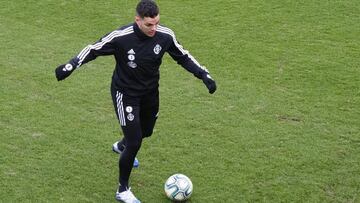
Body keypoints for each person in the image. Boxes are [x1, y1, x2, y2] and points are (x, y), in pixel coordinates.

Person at [55, 0, 216, 202]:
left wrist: (204, 75)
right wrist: (70, 66)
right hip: (125, 94)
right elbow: (93, 49)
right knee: (135, 141)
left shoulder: (165, 35)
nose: (154, 28)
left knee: (146, 131)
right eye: (149, 24)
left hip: (150, 93)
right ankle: (122, 190)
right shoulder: (121, 37)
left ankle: (121, 146)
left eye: (156, 23)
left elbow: (183, 56)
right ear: (137, 19)